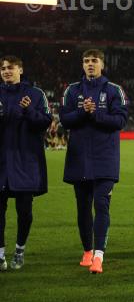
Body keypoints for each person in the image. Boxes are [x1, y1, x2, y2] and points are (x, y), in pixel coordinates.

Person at [60, 49, 128, 274]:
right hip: (79, 158)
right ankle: (87, 250)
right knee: (82, 208)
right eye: (86, 61)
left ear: (102, 64)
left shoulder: (113, 90)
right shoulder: (72, 90)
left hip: (105, 158)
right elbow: (64, 119)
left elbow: (120, 120)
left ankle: (99, 255)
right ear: (82, 65)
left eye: (94, 61)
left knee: (101, 204)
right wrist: (83, 113)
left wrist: (95, 114)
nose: (90, 64)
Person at [0, 55, 52, 270]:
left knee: (24, 211)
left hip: (26, 161)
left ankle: (19, 249)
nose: (6, 71)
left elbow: (45, 122)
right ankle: (1, 254)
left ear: (20, 70)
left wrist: (29, 111)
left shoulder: (35, 94)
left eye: (10, 67)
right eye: (2, 68)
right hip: (2, 162)